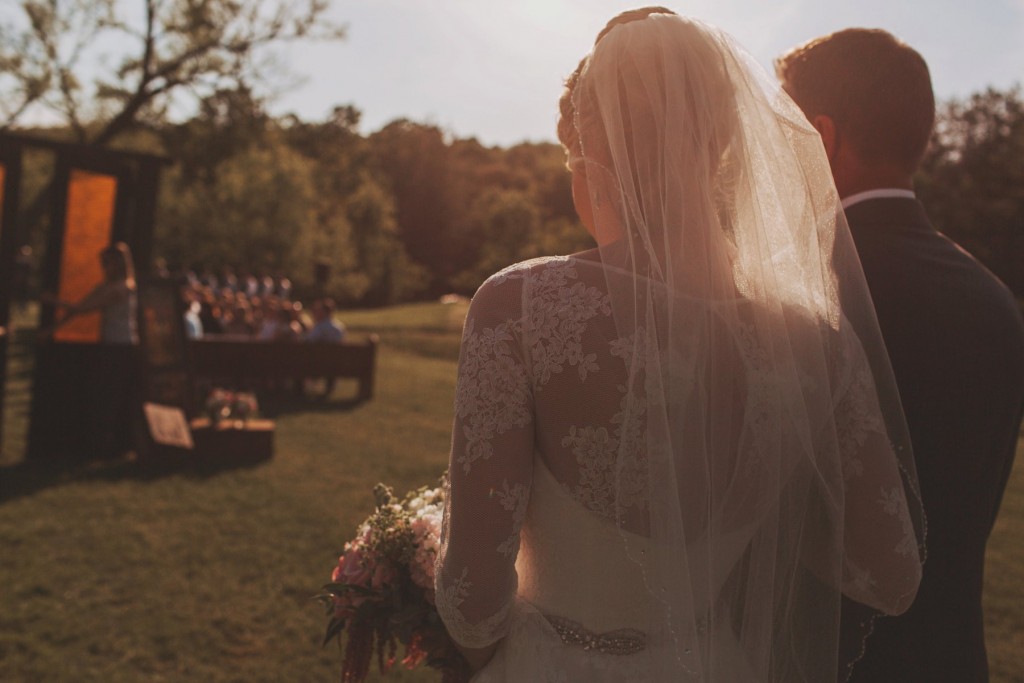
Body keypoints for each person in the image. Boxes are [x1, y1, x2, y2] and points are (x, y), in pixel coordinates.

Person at [435, 10, 925, 682]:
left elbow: (472, 599)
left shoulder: (518, 306)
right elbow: (889, 574)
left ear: (590, 157)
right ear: (724, 146)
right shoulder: (813, 339)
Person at [776, 29, 1024, 683]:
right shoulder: (995, 300)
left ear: (821, 138)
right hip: (954, 660)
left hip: (823, 661)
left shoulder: (799, 288)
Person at [40, 241, 140, 459]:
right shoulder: (106, 287)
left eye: (109, 263)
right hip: (110, 346)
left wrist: (52, 301)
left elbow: (83, 309)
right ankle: (100, 444)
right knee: (103, 394)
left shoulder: (123, 288)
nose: (105, 267)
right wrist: (51, 330)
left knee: (111, 396)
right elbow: (77, 310)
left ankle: (109, 446)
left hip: (121, 347)